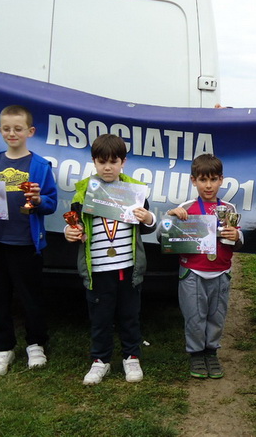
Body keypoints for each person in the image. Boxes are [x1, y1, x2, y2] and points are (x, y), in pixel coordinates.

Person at [0, 105, 57, 378]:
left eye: (18, 128)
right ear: (0, 131)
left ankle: (36, 344)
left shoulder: (39, 166)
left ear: (30, 131)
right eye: (6, 129)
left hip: (26, 243)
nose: (12, 133)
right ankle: (3, 347)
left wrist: (38, 200)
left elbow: (51, 203)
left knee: (31, 296)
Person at [64, 133, 157, 385]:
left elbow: (147, 227)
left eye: (113, 161)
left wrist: (148, 218)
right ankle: (100, 360)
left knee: (130, 315)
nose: (107, 167)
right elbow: (74, 225)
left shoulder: (135, 192)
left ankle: (131, 356)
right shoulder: (84, 193)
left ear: (123, 162)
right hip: (98, 269)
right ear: (94, 161)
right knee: (100, 318)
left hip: (128, 268)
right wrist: (70, 232)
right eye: (102, 161)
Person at [164, 153, 243, 379]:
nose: (208, 185)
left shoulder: (228, 208)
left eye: (213, 179)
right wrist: (171, 217)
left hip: (221, 271)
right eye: (203, 180)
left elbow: (238, 239)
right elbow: (164, 234)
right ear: (193, 181)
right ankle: (196, 354)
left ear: (221, 180)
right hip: (193, 272)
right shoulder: (186, 208)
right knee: (194, 315)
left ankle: (211, 351)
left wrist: (237, 236)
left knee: (217, 315)